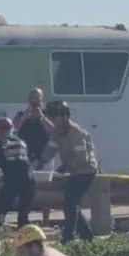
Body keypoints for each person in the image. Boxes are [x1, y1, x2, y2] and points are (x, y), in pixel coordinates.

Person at [37, 101, 99, 244]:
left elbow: (81, 159)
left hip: (86, 171)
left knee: (70, 202)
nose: (53, 121)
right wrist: (37, 165)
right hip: (74, 172)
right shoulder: (56, 133)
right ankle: (87, 236)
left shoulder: (76, 133)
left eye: (55, 117)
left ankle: (68, 238)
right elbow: (49, 152)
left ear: (65, 116)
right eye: (51, 117)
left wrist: (62, 169)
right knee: (72, 203)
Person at [0, 117, 35, 228]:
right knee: (23, 215)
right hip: (29, 178)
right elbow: (20, 162)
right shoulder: (21, 141)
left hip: (13, 179)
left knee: (0, 209)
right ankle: (24, 233)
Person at [14, 88, 51, 223]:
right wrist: (24, 117)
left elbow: (53, 131)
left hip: (44, 157)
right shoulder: (21, 114)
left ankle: (46, 219)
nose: (34, 102)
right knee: (26, 187)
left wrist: (41, 118)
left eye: (37, 99)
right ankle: (24, 217)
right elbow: (13, 130)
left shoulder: (47, 115)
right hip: (25, 157)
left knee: (45, 188)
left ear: (42, 100)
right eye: (32, 99)